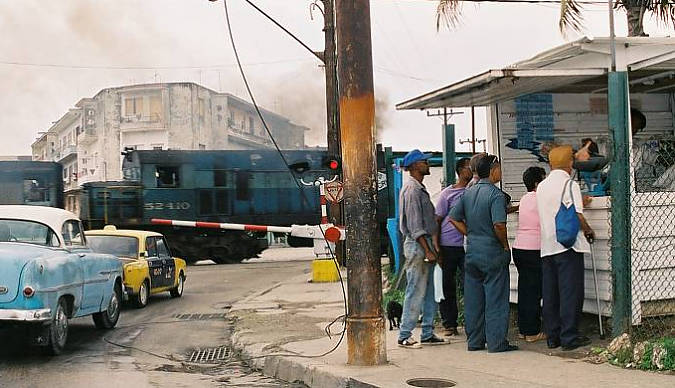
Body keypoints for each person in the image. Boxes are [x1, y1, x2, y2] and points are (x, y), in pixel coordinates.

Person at [449, 154, 517, 353]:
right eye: (499, 168)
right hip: (492, 253)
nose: (501, 172)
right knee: (495, 299)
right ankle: (497, 343)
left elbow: (453, 218)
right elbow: (499, 224)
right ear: (493, 169)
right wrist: (504, 245)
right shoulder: (495, 195)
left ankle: (475, 341)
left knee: (474, 300)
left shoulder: (468, 193)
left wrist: (470, 233)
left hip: (472, 253)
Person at [536, 145, 595, 351]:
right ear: (569, 163)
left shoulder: (542, 186)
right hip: (568, 246)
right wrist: (588, 230)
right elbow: (577, 215)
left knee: (551, 293)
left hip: (547, 245)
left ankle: (553, 337)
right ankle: (569, 337)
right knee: (570, 292)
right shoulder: (570, 184)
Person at [397, 149, 447, 348]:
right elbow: (416, 226)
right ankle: (404, 334)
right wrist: (427, 249)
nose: (427, 164)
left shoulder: (418, 188)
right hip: (418, 245)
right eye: (424, 162)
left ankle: (427, 332)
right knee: (416, 290)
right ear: (416, 166)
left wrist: (433, 246)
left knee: (429, 291)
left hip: (424, 244)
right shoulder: (412, 190)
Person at [434, 157, 472, 337]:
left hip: (469, 245)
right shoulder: (447, 194)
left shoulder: (474, 191)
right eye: (468, 167)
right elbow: (437, 220)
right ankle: (449, 323)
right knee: (447, 286)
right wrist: (437, 247)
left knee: (469, 284)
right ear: (460, 171)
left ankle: (471, 321)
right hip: (449, 245)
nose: (471, 169)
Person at [512, 166, 547, 343]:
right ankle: (532, 332)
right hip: (535, 248)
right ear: (536, 182)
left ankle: (523, 329)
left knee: (525, 290)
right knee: (535, 291)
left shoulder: (525, 199)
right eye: (544, 178)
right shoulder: (541, 197)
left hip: (519, 248)